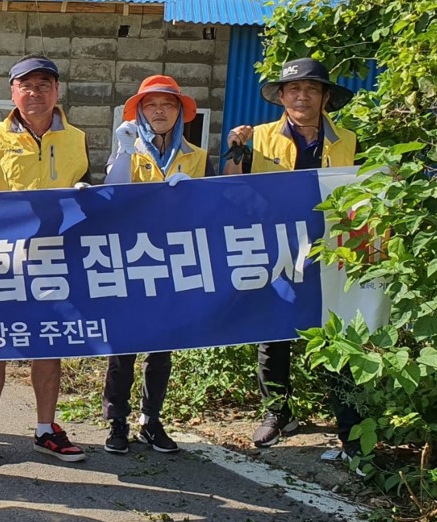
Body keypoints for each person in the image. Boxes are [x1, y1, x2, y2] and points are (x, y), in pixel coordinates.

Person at [0, 56, 92, 469]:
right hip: (1, 259)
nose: (35, 92)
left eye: (43, 84)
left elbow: (91, 195)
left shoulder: (77, 138)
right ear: (13, 92)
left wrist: (88, 190)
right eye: (25, 85)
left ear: (57, 91)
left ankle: (46, 429)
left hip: (54, 257)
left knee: (49, 345)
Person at [225, 57, 361, 457]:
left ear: (325, 97)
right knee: (274, 332)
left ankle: (350, 426)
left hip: (332, 251)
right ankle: (277, 413)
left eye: (312, 89)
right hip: (276, 248)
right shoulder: (259, 139)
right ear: (282, 96)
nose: (303, 96)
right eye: (294, 89)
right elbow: (230, 188)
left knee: (337, 335)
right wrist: (235, 149)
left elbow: (362, 195)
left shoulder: (349, 141)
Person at [100, 75, 208, 456]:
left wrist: (191, 195)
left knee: (162, 347)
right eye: (151, 105)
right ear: (140, 112)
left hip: (174, 261)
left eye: (167, 104)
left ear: (180, 112)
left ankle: (151, 419)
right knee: (124, 346)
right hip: (130, 258)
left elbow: (207, 211)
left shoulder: (196, 157)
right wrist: (123, 153)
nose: (159, 111)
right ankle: (116, 419)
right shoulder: (128, 147)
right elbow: (111, 196)